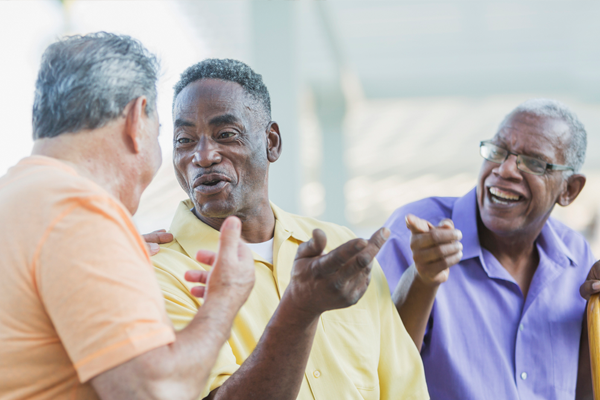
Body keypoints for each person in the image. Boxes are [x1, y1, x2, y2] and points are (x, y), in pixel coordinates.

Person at [151, 58, 428, 400]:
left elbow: (405, 389)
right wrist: (301, 309)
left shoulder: (340, 247)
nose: (203, 155)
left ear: (272, 142)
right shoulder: (155, 273)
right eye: (184, 140)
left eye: (225, 135)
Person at [0, 33, 256, 400]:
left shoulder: (17, 198)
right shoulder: (79, 211)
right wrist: (224, 298)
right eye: (164, 136)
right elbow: (156, 391)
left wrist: (113, 257)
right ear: (136, 119)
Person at [377, 98, 595, 400]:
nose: (504, 170)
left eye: (534, 162)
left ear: (568, 190)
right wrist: (422, 279)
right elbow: (376, 370)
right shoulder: (414, 234)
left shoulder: (577, 258)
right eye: (498, 151)